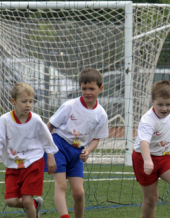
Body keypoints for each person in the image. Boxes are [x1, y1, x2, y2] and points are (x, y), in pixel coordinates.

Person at [44, 68, 109, 218]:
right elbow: (49, 127)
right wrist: (50, 153)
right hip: (58, 145)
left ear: (100, 89)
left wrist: (88, 150)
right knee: (61, 185)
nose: (87, 92)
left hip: (77, 153)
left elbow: (96, 138)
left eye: (92, 88)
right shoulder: (69, 106)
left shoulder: (101, 114)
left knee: (79, 193)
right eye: (84, 88)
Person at [0, 82, 58, 218]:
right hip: (13, 164)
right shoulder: (5, 120)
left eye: (31, 101)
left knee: (26, 200)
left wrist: (50, 157)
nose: (28, 105)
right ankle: (35, 204)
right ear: (13, 101)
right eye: (24, 101)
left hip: (33, 162)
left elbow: (47, 139)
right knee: (10, 201)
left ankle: (31, 205)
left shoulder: (36, 120)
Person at [132, 80, 170, 218]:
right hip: (144, 159)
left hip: (166, 157)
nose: (164, 108)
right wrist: (147, 160)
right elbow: (144, 142)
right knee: (151, 199)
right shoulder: (148, 120)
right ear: (152, 101)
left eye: (168, 104)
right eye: (160, 104)